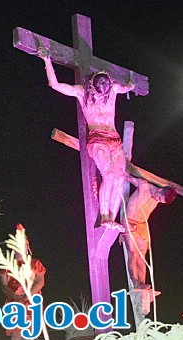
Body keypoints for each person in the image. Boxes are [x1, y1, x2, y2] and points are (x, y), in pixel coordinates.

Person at [38, 48, 135, 232]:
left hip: (114, 138)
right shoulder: (83, 93)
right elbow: (56, 85)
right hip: (97, 139)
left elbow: (125, 87)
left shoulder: (112, 90)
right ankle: (105, 215)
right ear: (92, 86)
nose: (101, 98)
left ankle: (113, 218)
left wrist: (130, 86)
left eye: (103, 95)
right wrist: (47, 60)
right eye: (98, 94)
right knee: (109, 174)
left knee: (120, 176)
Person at [122, 176, 177, 289]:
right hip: (130, 222)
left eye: (161, 201)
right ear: (160, 190)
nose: (158, 200)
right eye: (160, 198)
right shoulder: (144, 187)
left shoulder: (159, 197)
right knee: (133, 253)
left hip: (142, 225)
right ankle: (135, 282)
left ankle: (142, 283)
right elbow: (127, 176)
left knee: (142, 256)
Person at [0, 224, 46, 340]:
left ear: (27, 247)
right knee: (16, 335)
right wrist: (15, 296)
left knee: (32, 335)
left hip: (32, 302)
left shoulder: (36, 263)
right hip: (14, 304)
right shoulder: (6, 265)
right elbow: (3, 285)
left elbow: (40, 282)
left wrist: (26, 296)